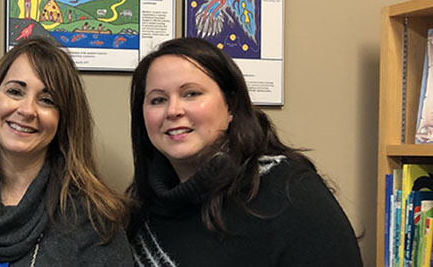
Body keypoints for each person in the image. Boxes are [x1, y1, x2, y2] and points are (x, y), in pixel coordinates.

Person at [127, 37, 362, 266]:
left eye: (191, 93)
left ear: (230, 106)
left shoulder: (290, 192)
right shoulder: (140, 209)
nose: (173, 110)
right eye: (158, 100)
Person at [0, 37, 133, 266]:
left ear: (63, 119)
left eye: (46, 100)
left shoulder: (95, 219)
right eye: (15, 91)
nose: (27, 110)